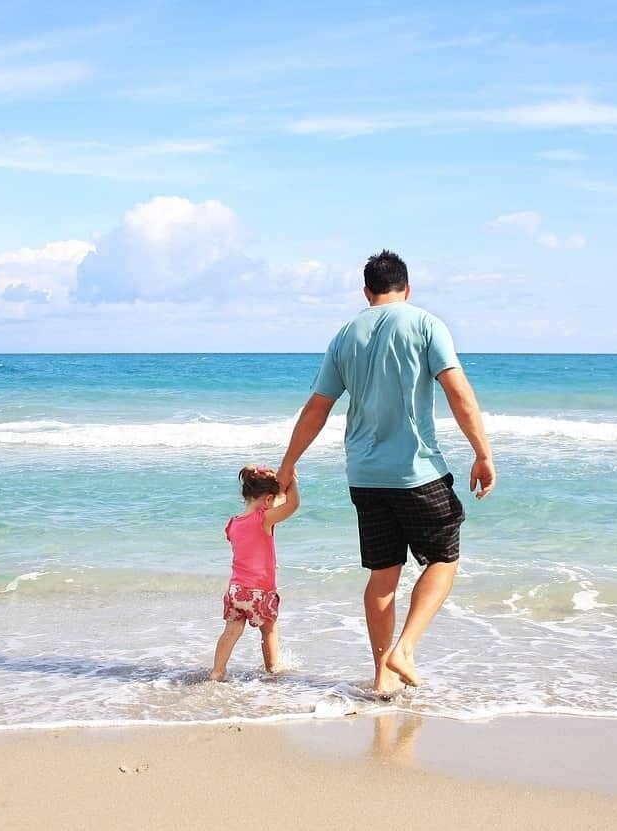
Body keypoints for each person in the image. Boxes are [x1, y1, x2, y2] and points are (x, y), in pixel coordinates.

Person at [276, 249, 496, 696]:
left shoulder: (344, 335)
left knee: (382, 576)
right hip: (416, 472)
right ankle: (405, 649)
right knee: (443, 559)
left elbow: (318, 408)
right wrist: (482, 453)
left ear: (366, 291)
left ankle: (382, 677)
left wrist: (288, 463)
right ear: (407, 288)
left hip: (364, 475)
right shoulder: (425, 324)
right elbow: (458, 392)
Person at [208, 464, 300, 681]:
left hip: (236, 591)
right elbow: (293, 504)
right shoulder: (264, 519)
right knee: (269, 631)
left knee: (231, 632)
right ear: (268, 501)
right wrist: (292, 480)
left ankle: (217, 672)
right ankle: (272, 669)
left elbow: (249, 548)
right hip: (260, 592)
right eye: (272, 500)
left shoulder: (232, 524)